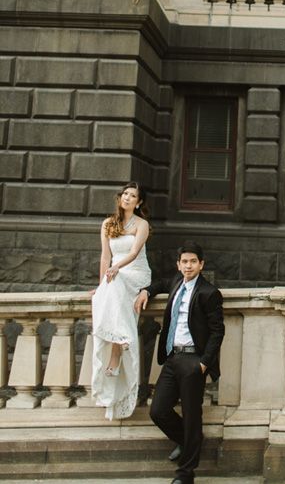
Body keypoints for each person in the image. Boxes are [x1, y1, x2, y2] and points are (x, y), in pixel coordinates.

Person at [134, 243, 225, 484]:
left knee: (192, 416)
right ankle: (188, 441)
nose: (188, 266)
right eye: (184, 262)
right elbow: (161, 284)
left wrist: (204, 363)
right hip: (173, 358)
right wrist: (146, 291)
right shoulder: (176, 282)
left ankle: (185, 475)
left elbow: (218, 331)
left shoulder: (209, 292)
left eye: (193, 261)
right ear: (178, 264)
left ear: (201, 264)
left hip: (194, 361)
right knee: (158, 410)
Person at [91, 181, 151, 420]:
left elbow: (135, 252)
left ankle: (118, 352)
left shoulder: (142, 224)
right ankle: (121, 340)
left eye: (133, 195)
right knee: (109, 290)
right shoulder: (108, 224)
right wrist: (100, 285)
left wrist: (116, 268)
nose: (127, 197)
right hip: (115, 274)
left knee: (117, 281)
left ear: (139, 202)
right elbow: (105, 257)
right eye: (125, 193)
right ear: (120, 198)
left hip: (135, 271)